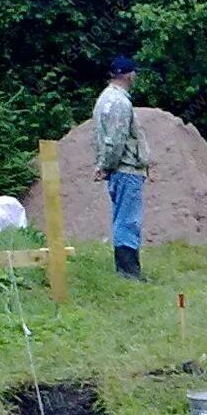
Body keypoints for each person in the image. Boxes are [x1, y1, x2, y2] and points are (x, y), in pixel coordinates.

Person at [91, 55, 148, 279]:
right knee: (128, 219)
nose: (135, 76)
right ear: (128, 74)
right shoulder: (120, 103)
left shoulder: (105, 98)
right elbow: (115, 140)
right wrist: (106, 165)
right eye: (134, 72)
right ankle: (128, 271)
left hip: (119, 170)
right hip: (126, 169)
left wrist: (103, 165)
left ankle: (125, 269)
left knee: (122, 217)